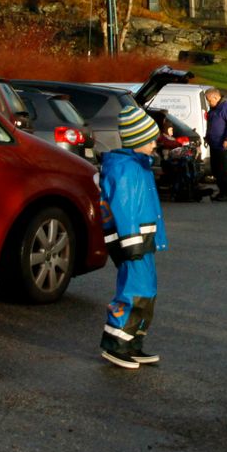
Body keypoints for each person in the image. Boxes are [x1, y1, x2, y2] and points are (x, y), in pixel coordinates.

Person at [98, 101, 167, 369]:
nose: (155, 145)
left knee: (147, 291)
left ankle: (132, 341)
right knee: (134, 290)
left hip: (142, 241)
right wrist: (130, 243)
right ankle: (115, 344)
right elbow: (124, 209)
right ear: (137, 140)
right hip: (133, 243)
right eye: (150, 140)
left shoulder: (140, 165)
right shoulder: (125, 169)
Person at [203, 86, 227, 203]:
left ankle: (224, 193)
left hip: (224, 145)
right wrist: (207, 137)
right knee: (216, 169)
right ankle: (221, 191)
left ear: (215, 97)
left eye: (209, 100)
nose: (208, 103)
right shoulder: (214, 109)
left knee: (224, 170)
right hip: (214, 144)